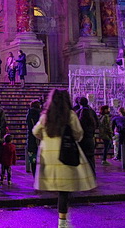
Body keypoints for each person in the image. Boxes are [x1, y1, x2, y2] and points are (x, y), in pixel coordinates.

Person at [33, 88, 96, 228]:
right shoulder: (70, 115)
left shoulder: (46, 116)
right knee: (64, 190)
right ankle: (62, 221)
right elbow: (79, 133)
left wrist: (46, 139)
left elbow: (36, 131)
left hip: (49, 156)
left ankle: (62, 220)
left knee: (57, 186)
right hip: (65, 153)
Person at [76, 97, 99, 176]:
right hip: (90, 138)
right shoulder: (92, 112)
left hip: (82, 139)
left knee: (82, 157)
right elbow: (97, 124)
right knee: (90, 157)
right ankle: (92, 174)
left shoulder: (78, 112)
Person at [26, 100, 42, 174]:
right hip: (40, 140)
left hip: (31, 140)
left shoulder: (29, 114)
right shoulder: (41, 115)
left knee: (33, 160)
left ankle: (34, 175)